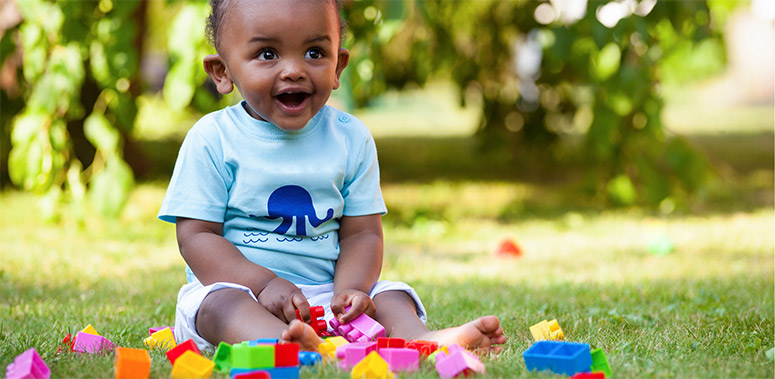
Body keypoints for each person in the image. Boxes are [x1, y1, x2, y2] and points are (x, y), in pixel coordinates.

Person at [158, 0, 507, 353]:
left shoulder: (350, 139)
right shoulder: (213, 138)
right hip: (241, 289)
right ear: (222, 72)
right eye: (267, 54)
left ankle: (423, 341)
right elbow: (197, 237)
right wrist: (263, 284)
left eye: (314, 52)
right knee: (218, 306)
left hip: (327, 294)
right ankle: (285, 343)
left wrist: (350, 290)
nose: (294, 70)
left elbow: (362, 234)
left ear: (338, 65)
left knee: (391, 294)